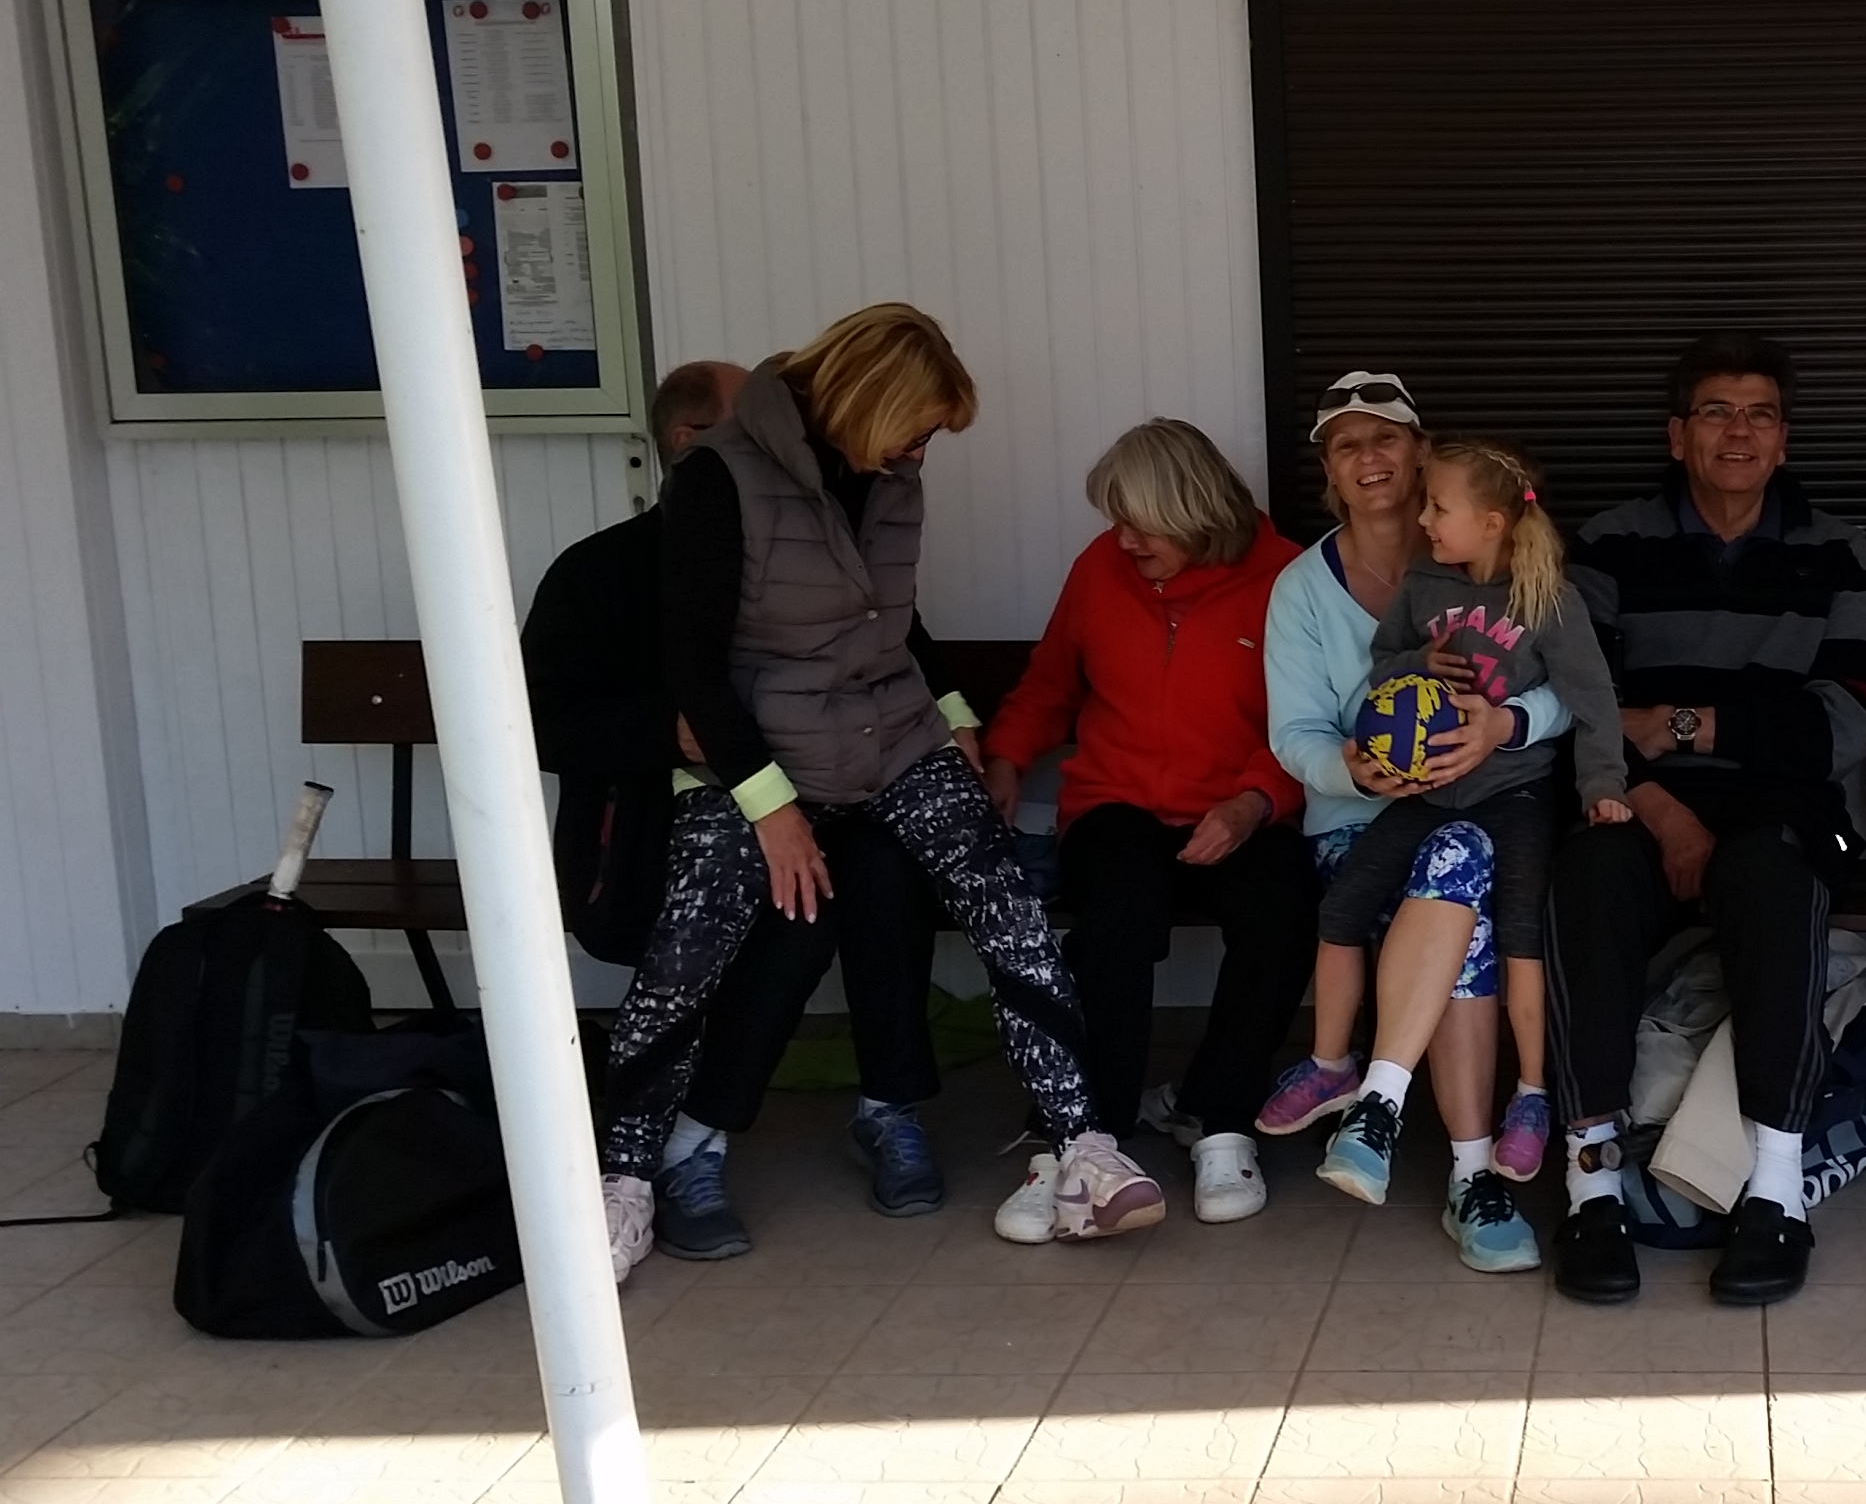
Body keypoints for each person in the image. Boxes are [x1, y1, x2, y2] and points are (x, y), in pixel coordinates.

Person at [596, 302, 1143, 1277]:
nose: (922, 451)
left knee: (1008, 908)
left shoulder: (891, 474)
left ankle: (1084, 1147)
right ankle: (626, 1179)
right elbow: (693, 668)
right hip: (758, 758)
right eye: (917, 429)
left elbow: (888, 616)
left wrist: (955, 710)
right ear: (865, 400)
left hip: (892, 740)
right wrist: (772, 812)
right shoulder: (718, 477)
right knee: (688, 952)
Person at [525, 360, 944, 1266]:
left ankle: (882, 1109)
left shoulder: (805, 544)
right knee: (794, 912)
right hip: (652, 827)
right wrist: (669, 731)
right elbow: (540, 721)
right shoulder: (600, 573)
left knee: (883, 870)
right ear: (694, 450)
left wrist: (958, 720)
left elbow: (897, 640)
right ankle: (669, 1153)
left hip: (811, 802)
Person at [1546, 330, 1866, 1308]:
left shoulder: (1838, 551)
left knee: (1773, 876)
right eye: (1717, 412)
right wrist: (1665, 813)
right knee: (1589, 875)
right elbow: (1582, 714)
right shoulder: (1608, 546)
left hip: (1784, 805)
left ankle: (1775, 1191)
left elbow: (1843, 723)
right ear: (1677, 435)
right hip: (1638, 800)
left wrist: (1683, 722)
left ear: (1783, 440)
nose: (1739, 432)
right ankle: (1591, 1187)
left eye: (1760, 414)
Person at [1260, 374, 1575, 1267]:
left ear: (1420, 451)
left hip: (1479, 810)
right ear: (1329, 471)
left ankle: (1376, 1109)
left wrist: (1506, 724)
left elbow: (1572, 690)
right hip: (1359, 824)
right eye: (1346, 445)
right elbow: (1294, 732)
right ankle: (1472, 1178)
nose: (1369, 457)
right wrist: (1351, 770)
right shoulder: (1301, 588)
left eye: (1386, 437)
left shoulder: (1493, 566)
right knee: (1458, 866)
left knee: (1459, 852)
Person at [982, 419, 1315, 1227]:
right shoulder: (1100, 569)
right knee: (1118, 911)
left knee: (1283, 908)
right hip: (1117, 802)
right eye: (1116, 521)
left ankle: (1218, 1115)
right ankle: (1086, 1135)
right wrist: (1005, 759)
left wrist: (1253, 801)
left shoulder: (1286, 576)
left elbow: (1314, 718)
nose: (1124, 540)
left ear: (1196, 510)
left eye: (1142, 523)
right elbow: (1048, 685)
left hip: (1238, 805)